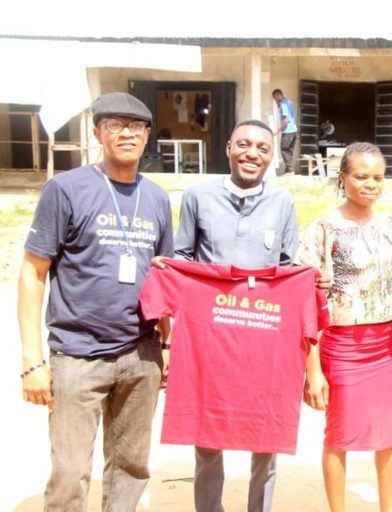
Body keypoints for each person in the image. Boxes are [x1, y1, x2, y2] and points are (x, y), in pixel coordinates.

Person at [18, 92, 174, 510]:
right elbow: (33, 273)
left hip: (140, 355)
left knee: (131, 467)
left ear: (147, 135)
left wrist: (166, 344)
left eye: (136, 126)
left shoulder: (157, 198)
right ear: (98, 132)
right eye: (114, 125)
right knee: (70, 473)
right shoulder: (66, 190)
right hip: (77, 356)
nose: (126, 133)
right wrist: (32, 362)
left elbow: (162, 279)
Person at [163, 118, 304, 511]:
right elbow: (183, 257)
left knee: (267, 431)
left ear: (272, 157)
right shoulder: (198, 196)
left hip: (264, 333)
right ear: (228, 149)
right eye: (243, 144)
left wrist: (310, 281)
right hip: (211, 335)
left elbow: (289, 267)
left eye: (262, 148)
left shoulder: (283, 203)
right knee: (207, 430)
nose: (252, 154)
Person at [297, 142, 392, 512]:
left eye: (378, 177)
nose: (371, 184)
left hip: (387, 345)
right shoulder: (322, 229)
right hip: (341, 345)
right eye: (362, 176)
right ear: (343, 178)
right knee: (339, 434)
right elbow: (306, 303)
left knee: (388, 433)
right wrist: (312, 369)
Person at [272, 88, 298, 175]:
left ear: (278, 95)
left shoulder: (283, 104)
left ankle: (290, 170)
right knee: (289, 151)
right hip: (294, 130)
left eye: (275, 98)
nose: (275, 101)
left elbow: (286, 120)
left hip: (288, 131)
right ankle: (288, 171)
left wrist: (277, 130)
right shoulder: (289, 102)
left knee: (284, 149)